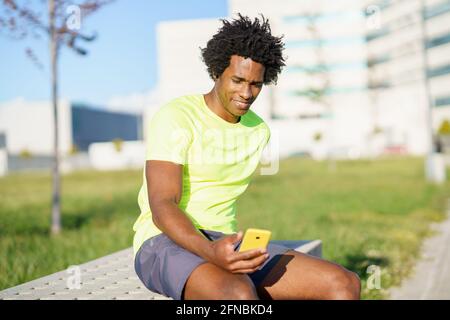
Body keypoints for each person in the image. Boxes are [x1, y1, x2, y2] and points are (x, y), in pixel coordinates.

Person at [133, 14, 361, 300]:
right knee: (239, 296)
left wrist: (223, 248)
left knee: (344, 283)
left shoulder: (258, 131)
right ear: (217, 72)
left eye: (256, 84)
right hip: (163, 241)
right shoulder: (177, 116)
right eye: (238, 80)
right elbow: (162, 204)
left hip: (225, 241)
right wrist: (210, 252)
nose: (246, 92)